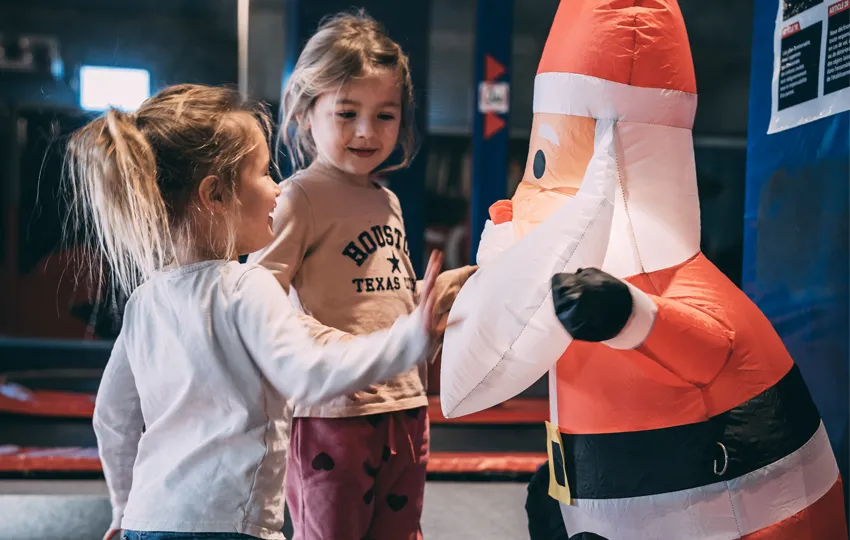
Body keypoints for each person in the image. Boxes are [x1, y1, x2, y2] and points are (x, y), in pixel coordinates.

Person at [64, 83, 446, 540]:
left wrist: (123, 509)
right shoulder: (246, 287)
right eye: (265, 174)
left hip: (147, 524)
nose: (278, 188)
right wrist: (410, 339)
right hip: (230, 525)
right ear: (215, 195)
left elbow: (112, 416)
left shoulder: (145, 302)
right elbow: (311, 373)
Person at [247, 11, 475, 540]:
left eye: (386, 115)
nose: (368, 132)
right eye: (347, 113)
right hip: (333, 412)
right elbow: (254, 300)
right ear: (306, 114)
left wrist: (431, 300)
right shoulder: (299, 197)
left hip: (405, 405)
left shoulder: (387, 200)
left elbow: (381, 298)